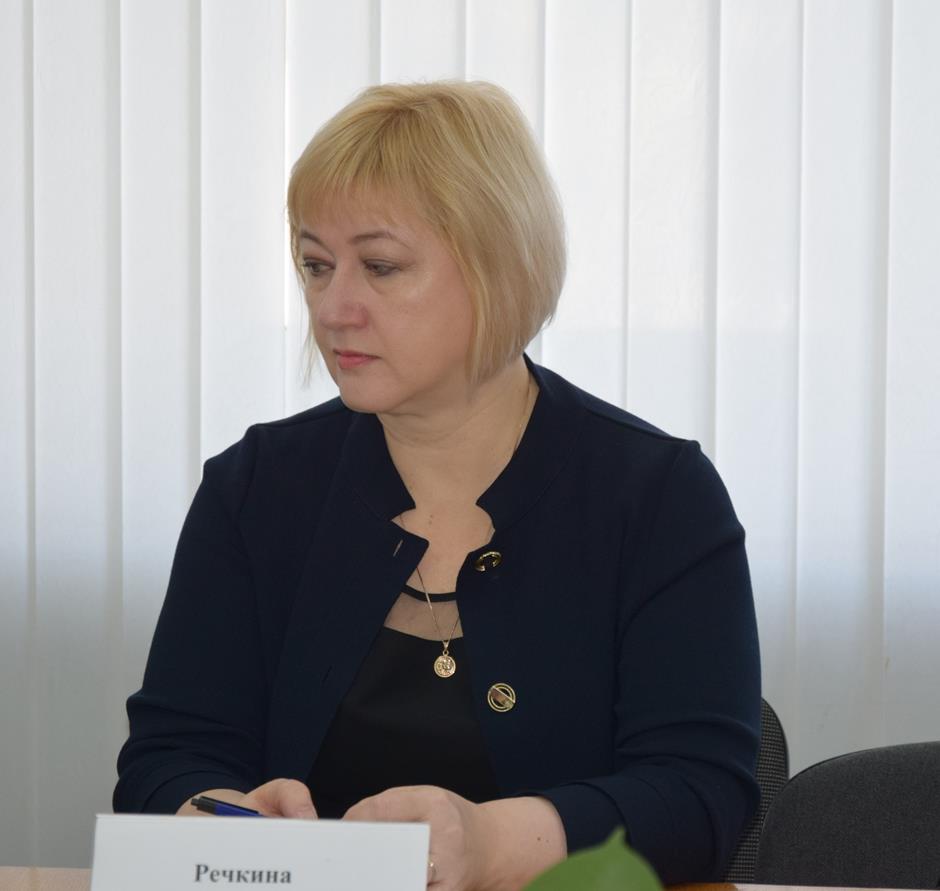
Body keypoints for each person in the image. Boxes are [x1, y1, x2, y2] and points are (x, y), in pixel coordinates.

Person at [114, 81, 760, 889]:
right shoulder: (255, 488)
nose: (333, 308)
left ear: (500, 267)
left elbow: (701, 794)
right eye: (316, 265)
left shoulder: (658, 496)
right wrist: (218, 815)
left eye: (381, 266)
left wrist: (487, 843)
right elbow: (167, 758)